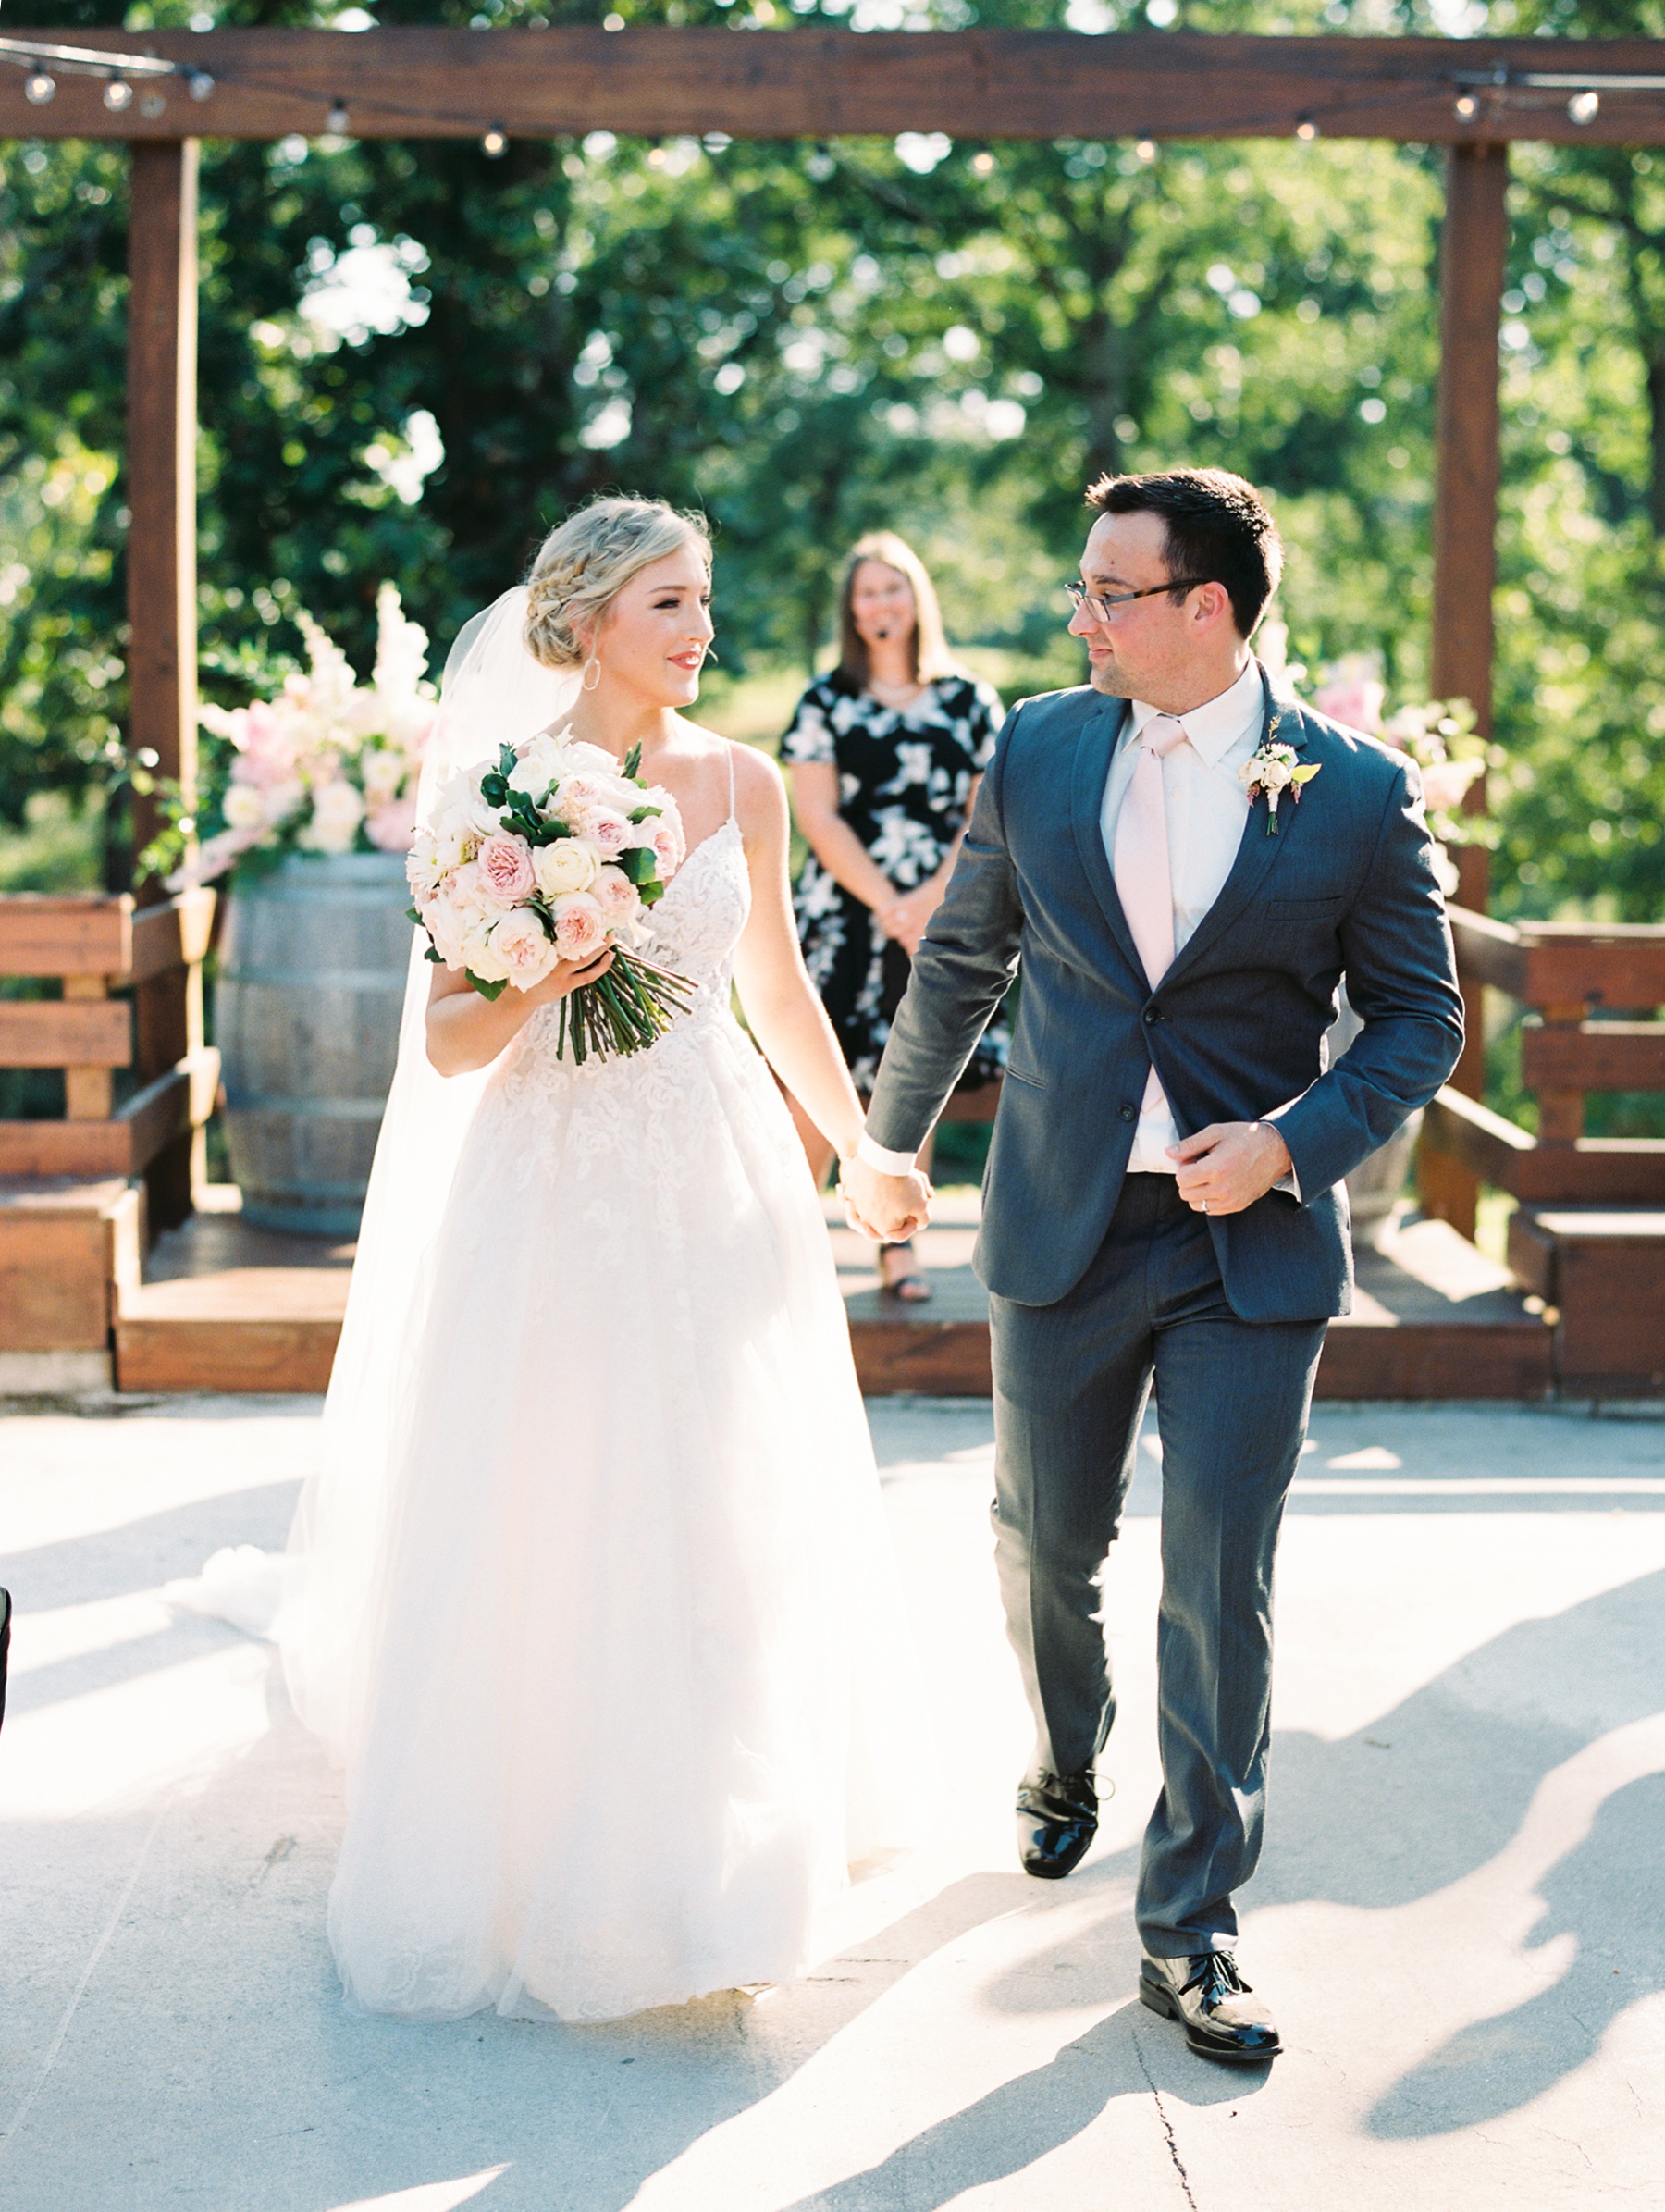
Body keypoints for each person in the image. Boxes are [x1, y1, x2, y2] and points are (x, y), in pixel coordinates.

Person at [843, 469, 1462, 2064]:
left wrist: (1293, 1141)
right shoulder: (1041, 741)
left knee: (1216, 1583)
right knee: (1045, 1543)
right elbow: (964, 953)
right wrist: (893, 1144)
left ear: (1210, 606)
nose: (1081, 616)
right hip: (1061, 1217)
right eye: (1081, 587)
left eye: (1112, 591)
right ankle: (1066, 1747)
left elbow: (1420, 1022)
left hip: (1246, 1249)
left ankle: (1191, 1927)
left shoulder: (1351, 789)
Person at [277, 498, 919, 2023]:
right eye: (667, 606)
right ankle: (537, 1834)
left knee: (713, 1488)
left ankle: (711, 1851)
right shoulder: (497, 793)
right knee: (552, 1485)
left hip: (709, 1170)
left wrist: (863, 1150)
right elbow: (444, 1043)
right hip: (547, 1174)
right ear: (581, 622)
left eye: (705, 598)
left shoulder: (744, 781)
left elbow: (774, 991)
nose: (701, 630)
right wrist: (544, 971)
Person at [781, 532, 1006, 1301]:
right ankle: (780, 1240)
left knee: (916, 1070)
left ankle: (896, 1247)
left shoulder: (970, 699)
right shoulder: (824, 699)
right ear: (852, 608)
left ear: (917, 598)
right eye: (867, 592)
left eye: (894, 588)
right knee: (823, 1072)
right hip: (846, 913)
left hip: (943, 911)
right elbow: (817, 815)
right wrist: (889, 904)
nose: (881, 604)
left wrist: (930, 903)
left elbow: (987, 813)